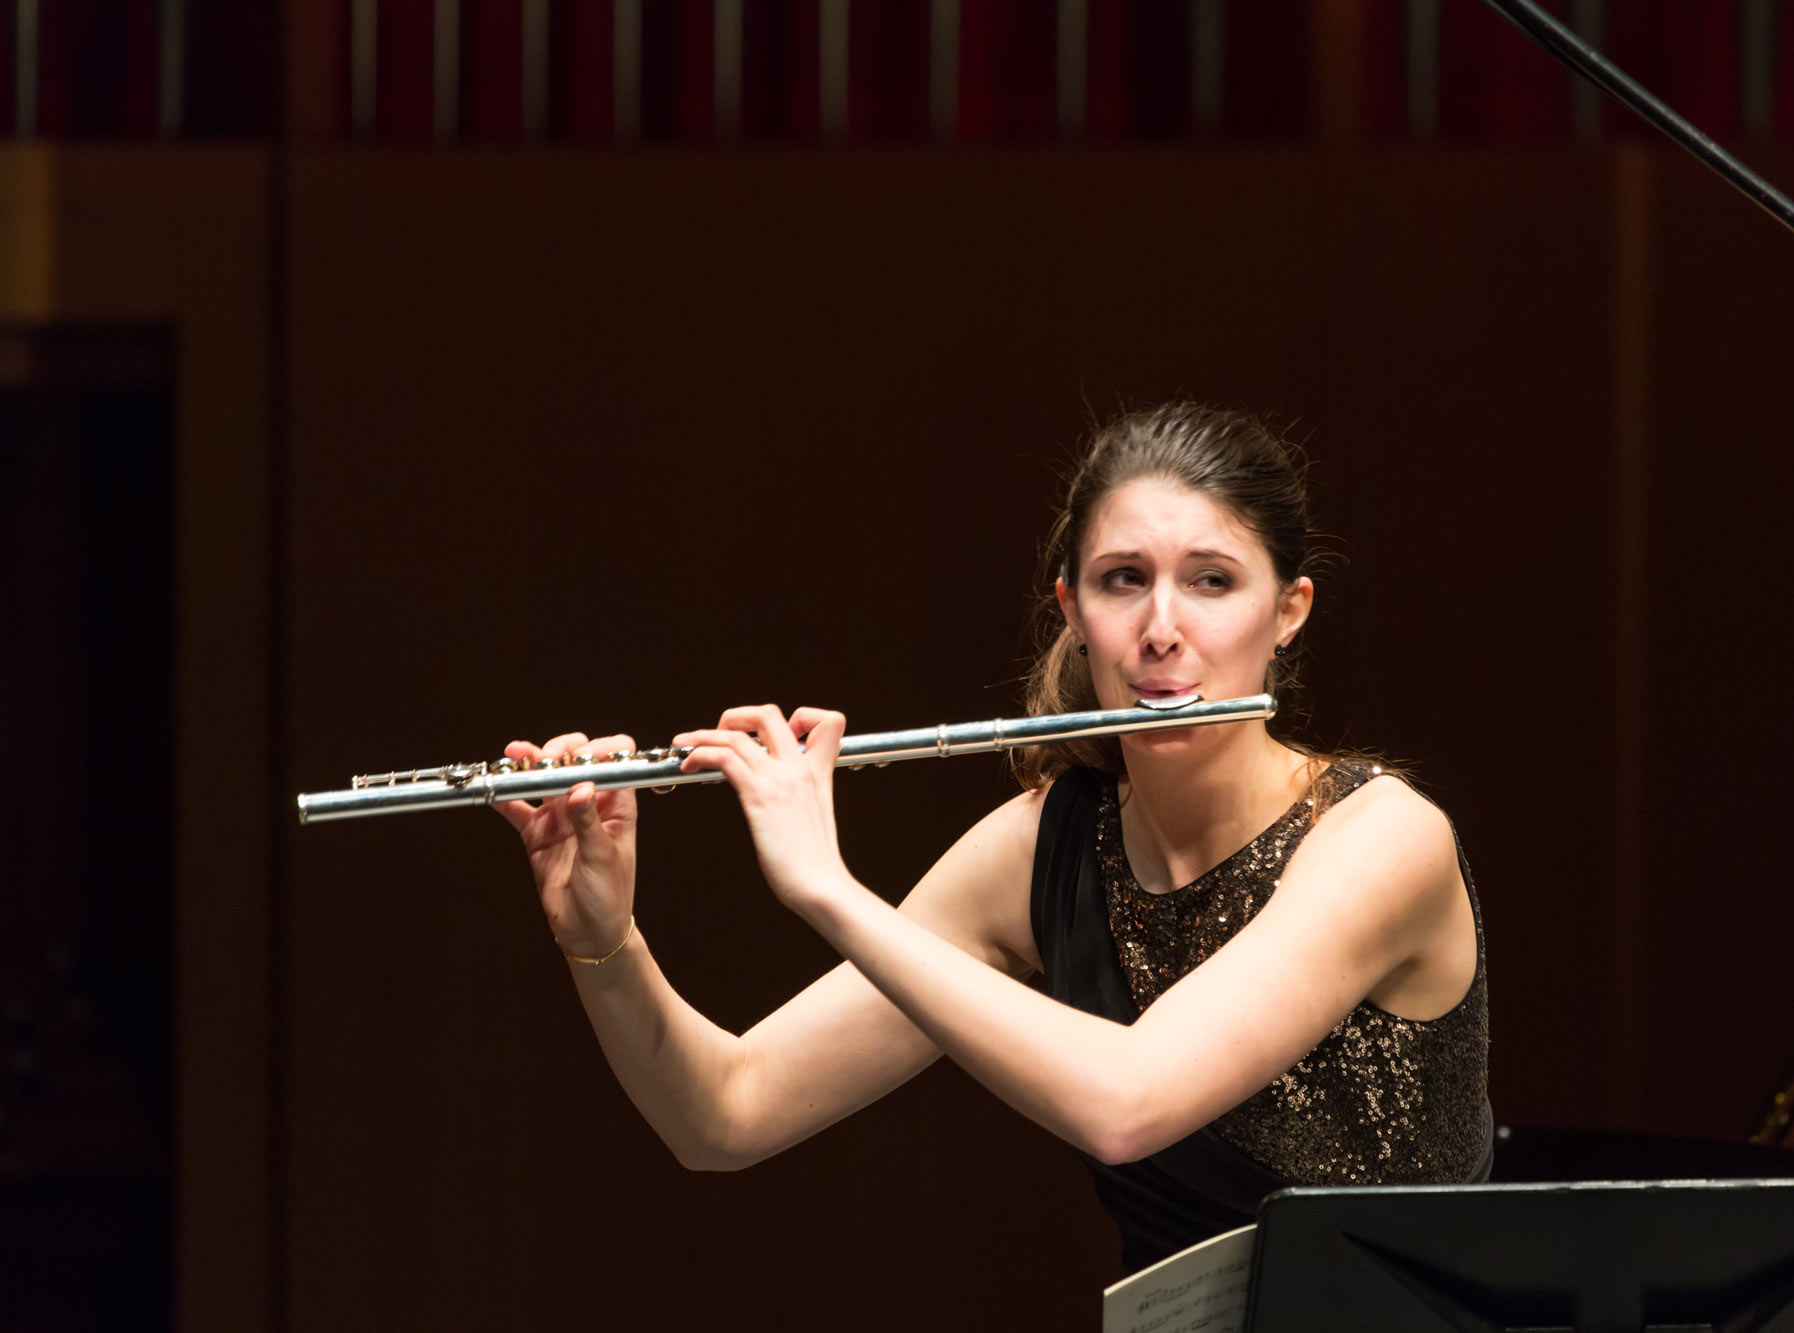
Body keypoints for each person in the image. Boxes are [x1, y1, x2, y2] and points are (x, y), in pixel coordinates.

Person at [497, 403, 1490, 1272]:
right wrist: (603, 938)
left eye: (1211, 581)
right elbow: (723, 1112)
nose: (1159, 627)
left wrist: (826, 889)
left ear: (1287, 611)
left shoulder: (1380, 841)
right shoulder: (1040, 851)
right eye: (1120, 580)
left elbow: (1127, 1101)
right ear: (1073, 611)